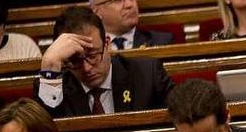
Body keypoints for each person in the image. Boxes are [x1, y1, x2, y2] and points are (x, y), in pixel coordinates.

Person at [34, 7, 173, 118]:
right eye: (75, 60)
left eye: (93, 55)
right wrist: (49, 64)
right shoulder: (54, 85)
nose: (87, 68)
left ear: (107, 44)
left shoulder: (148, 74)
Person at [88, 0, 174, 49]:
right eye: (118, 0)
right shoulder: (89, 48)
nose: (129, 5)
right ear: (96, 11)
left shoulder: (161, 42)